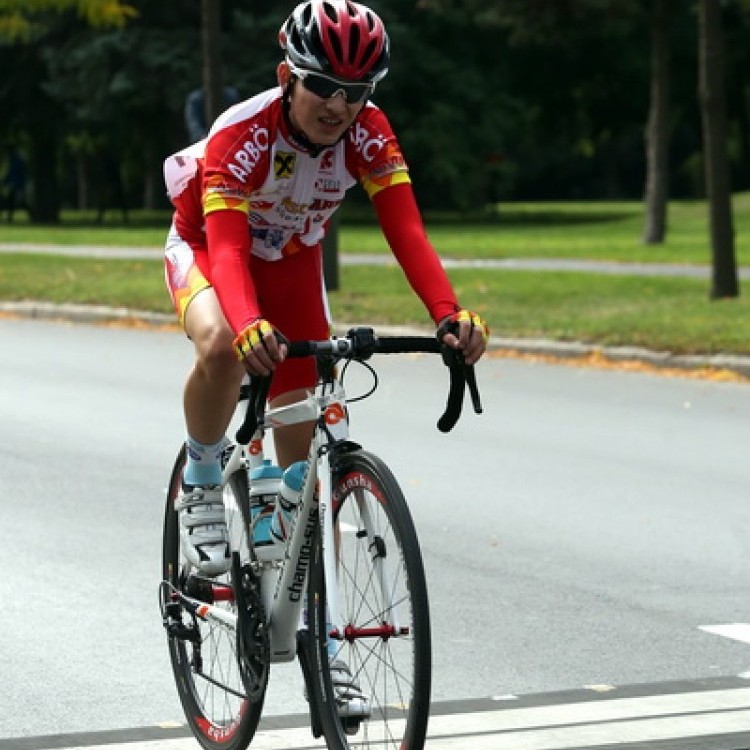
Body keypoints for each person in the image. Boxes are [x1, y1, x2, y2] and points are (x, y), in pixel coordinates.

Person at [162, 0, 489, 715]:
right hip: (213, 253)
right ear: (287, 76)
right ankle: (203, 475)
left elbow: (407, 230)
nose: (340, 106)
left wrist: (448, 315)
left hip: (291, 262)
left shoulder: (370, 134)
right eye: (324, 88)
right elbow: (225, 246)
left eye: (358, 92)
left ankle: (319, 640)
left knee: (301, 469)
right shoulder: (243, 135)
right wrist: (247, 323)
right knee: (221, 344)